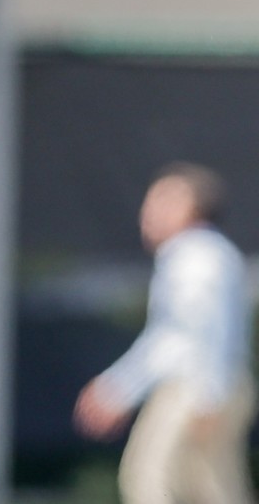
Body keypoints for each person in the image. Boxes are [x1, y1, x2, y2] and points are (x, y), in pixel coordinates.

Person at [73, 162, 256, 504]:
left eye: (161, 201)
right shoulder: (209, 253)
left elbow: (186, 335)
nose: (148, 212)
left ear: (192, 208)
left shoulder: (194, 257)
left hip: (195, 386)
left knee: (147, 478)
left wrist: (118, 387)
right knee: (214, 489)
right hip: (220, 384)